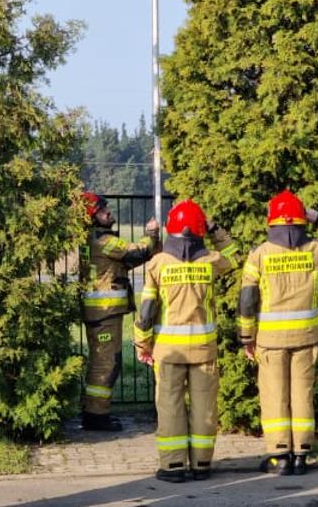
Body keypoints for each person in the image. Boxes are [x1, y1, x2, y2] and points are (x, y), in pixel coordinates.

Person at [239, 191, 318, 475]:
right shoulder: (316, 250)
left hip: (270, 341)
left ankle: (279, 457)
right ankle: (301, 456)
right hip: (306, 337)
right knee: (302, 395)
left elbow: (247, 300)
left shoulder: (259, 255)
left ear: (271, 222)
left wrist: (247, 338)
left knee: (275, 397)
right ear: (301, 221)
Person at [135, 200, 236, 483]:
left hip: (168, 350)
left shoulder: (158, 264)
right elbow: (234, 254)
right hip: (204, 349)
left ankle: (173, 465)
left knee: (169, 405)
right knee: (205, 405)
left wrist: (143, 344)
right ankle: (202, 464)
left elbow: (146, 311)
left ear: (171, 230)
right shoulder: (211, 262)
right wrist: (215, 229)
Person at [79, 191, 154, 431]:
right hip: (104, 312)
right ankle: (96, 416)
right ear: (92, 217)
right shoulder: (104, 242)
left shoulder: (95, 241)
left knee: (104, 362)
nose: (108, 212)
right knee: (106, 364)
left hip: (102, 313)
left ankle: (95, 412)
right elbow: (136, 252)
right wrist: (150, 236)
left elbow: (127, 262)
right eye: (102, 210)